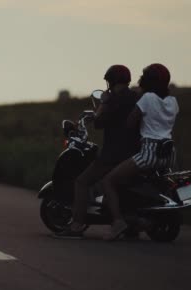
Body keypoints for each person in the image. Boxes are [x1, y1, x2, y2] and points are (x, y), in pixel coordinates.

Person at [54, 65, 140, 239]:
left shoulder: (113, 100)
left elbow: (99, 123)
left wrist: (104, 103)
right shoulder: (137, 97)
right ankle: (128, 224)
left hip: (113, 154)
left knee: (82, 182)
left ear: (111, 81)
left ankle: (77, 225)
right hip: (135, 153)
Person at [101, 63, 179, 241]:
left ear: (147, 80)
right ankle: (135, 219)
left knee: (109, 181)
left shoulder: (147, 98)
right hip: (168, 153)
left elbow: (130, 123)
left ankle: (118, 222)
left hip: (149, 153)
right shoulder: (173, 101)